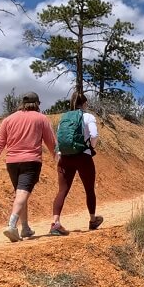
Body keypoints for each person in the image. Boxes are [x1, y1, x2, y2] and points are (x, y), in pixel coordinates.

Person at [0, 91, 57, 243]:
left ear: (22, 103)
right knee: (22, 193)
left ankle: (25, 227)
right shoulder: (41, 118)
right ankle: (11, 225)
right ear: (37, 103)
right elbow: (51, 142)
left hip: (12, 162)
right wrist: (57, 157)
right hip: (31, 161)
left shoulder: (8, 119)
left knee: (21, 193)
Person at [50, 91, 103, 235]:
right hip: (83, 157)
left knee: (62, 190)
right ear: (85, 103)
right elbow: (94, 135)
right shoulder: (88, 116)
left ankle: (55, 223)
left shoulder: (64, 117)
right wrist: (91, 147)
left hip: (65, 157)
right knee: (89, 189)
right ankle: (92, 220)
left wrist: (60, 154)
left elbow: (60, 138)